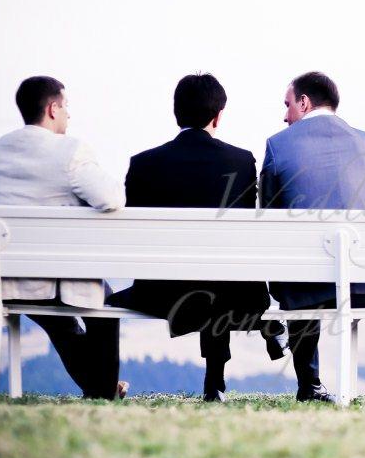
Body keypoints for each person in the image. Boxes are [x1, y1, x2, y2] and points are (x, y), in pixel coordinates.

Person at [108, 73, 283, 403]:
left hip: (159, 293)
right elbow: (243, 231)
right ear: (218, 116)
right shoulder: (240, 161)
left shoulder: (143, 164)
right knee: (217, 278)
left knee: (109, 302)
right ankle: (215, 382)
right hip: (232, 294)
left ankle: (104, 384)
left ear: (176, 112)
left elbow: (133, 234)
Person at [260, 71, 365, 403]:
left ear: (304, 102)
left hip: (308, 286)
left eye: (287, 104)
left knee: (299, 268)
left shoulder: (278, 145)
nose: (285, 115)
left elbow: (269, 216)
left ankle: (310, 385)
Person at [0, 76, 127, 399]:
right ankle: (103, 392)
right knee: (105, 304)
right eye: (66, 106)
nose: (69, 114)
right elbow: (112, 198)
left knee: (61, 322)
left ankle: (101, 389)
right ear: (53, 108)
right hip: (55, 279)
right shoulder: (70, 151)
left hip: (6, 278)